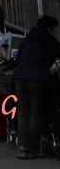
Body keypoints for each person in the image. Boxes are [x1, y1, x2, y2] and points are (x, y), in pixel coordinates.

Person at [13, 14, 60, 159]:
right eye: (56, 28)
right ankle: (32, 148)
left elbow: (18, 58)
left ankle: (22, 147)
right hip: (38, 79)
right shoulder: (50, 40)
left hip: (20, 78)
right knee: (36, 114)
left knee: (23, 113)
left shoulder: (27, 39)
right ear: (50, 28)